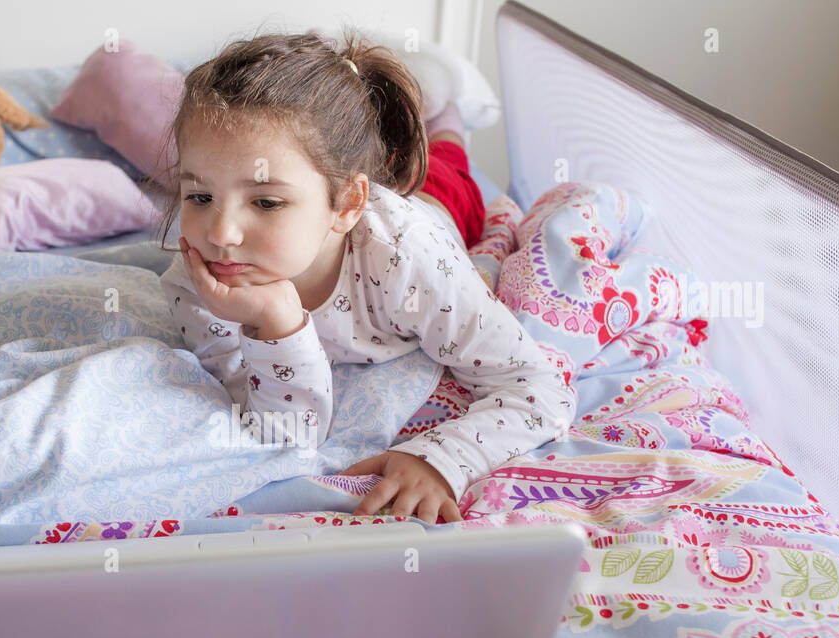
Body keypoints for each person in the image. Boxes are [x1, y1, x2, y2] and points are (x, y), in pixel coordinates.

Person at [156, 29, 576, 524]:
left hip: (436, 210)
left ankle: (444, 117)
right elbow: (286, 435)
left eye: (266, 202)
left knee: (446, 168)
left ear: (348, 204)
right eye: (200, 197)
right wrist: (277, 324)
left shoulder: (409, 260)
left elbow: (541, 387)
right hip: (361, 200)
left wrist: (439, 461)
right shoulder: (200, 280)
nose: (221, 234)